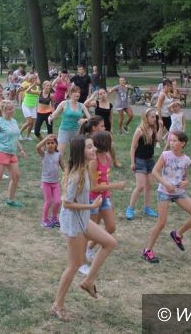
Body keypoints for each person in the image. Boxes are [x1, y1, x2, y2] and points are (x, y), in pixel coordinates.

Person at [51, 136, 117, 321]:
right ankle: (57, 306)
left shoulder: (85, 169)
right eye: (89, 147)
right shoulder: (76, 175)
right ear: (81, 152)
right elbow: (66, 203)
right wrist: (91, 206)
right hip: (74, 223)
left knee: (110, 242)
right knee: (74, 265)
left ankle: (88, 281)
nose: (94, 149)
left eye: (93, 146)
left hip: (83, 219)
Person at [142, 131, 191, 263]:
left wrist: (186, 182)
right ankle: (147, 250)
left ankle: (177, 234)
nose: (171, 143)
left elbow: (186, 177)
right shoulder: (166, 155)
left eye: (175, 141)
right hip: (164, 191)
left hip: (179, 192)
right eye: (171, 140)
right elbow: (155, 172)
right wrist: (166, 184)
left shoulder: (186, 160)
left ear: (183, 143)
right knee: (161, 223)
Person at [80, 131, 125, 275]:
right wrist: (115, 186)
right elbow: (94, 187)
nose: (113, 143)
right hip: (92, 199)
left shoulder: (107, 157)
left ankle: (89, 248)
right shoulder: (94, 162)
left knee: (111, 227)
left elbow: (105, 179)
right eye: (111, 140)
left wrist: (108, 192)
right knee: (88, 232)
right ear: (104, 143)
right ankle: (81, 262)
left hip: (104, 198)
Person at [125, 108, 160, 220]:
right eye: (152, 117)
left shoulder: (153, 128)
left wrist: (160, 126)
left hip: (150, 161)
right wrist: (132, 162)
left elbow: (158, 139)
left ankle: (147, 208)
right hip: (140, 161)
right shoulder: (139, 130)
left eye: (155, 117)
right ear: (146, 118)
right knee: (140, 186)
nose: (154, 119)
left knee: (149, 185)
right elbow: (132, 147)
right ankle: (130, 208)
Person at [49, 87, 92, 155]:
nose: (78, 94)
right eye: (75, 92)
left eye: (79, 92)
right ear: (70, 94)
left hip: (76, 132)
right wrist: (50, 118)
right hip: (64, 130)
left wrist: (84, 120)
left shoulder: (82, 106)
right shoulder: (64, 103)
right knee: (59, 153)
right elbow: (55, 114)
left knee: (75, 154)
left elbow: (90, 119)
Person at [36, 134, 64, 228]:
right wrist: (45, 139)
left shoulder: (58, 155)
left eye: (52, 143)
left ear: (56, 144)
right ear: (45, 145)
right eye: (48, 143)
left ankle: (54, 218)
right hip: (46, 183)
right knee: (48, 201)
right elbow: (37, 147)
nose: (50, 145)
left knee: (57, 201)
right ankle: (44, 220)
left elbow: (63, 166)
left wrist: (67, 174)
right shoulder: (44, 154)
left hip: (55, 183)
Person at [19, 73, 40, 140]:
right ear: (31, 79)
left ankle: (27, 136)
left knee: (32, 123)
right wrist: (33, 85)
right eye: (33, 78)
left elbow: (38, 96)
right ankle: (19, 133)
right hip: (26, 105)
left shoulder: (37, 87)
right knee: (29, 122)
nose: (35, 79)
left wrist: (37, 106)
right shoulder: (28, 86)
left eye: (36, 78)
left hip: (33, 106)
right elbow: (28, 91)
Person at [155, 80, 175, 147]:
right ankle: (157, 143)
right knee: (160, 129)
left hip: (168, 115)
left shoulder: (168, 94)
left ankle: (165, 138)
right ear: (164, 86)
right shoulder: (162, 95)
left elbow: (175, 96)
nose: (169, 87)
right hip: (161, 115)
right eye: (168, 86)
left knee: (171, 129)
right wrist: (160, 119)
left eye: (170, 86)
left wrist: (175, 86)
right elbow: (158, 107)